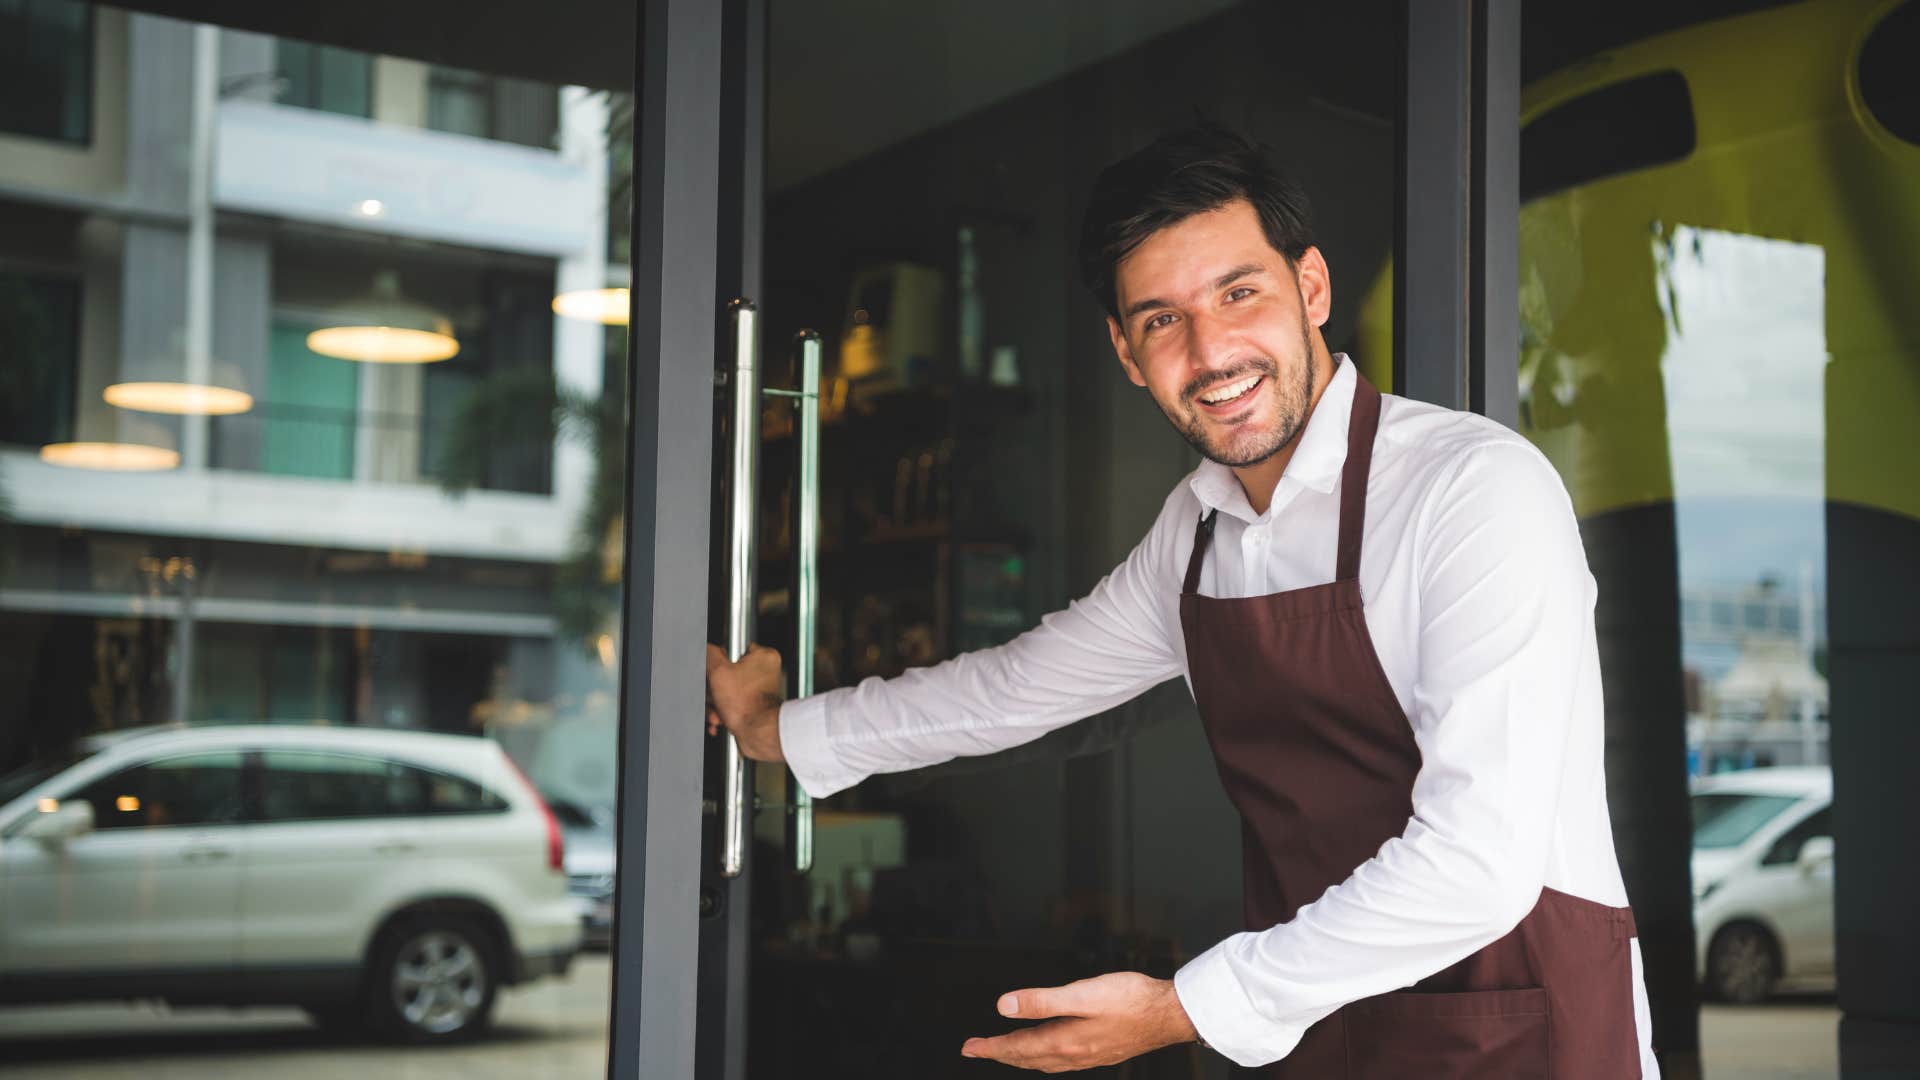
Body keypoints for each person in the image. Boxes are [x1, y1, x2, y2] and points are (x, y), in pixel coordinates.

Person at [705, 124, 1658, 1078]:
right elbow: (1011, 690)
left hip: (1522, 1025)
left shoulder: (1473, 490)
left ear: (1312, 289)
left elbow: (1478, 867)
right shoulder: (1196, 534)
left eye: (1238, 293)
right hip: (1323, 1030)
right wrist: (780, 732)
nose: (1211, 351)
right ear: (1125, 352)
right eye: (1162, 320)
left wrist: (1180, 1010)